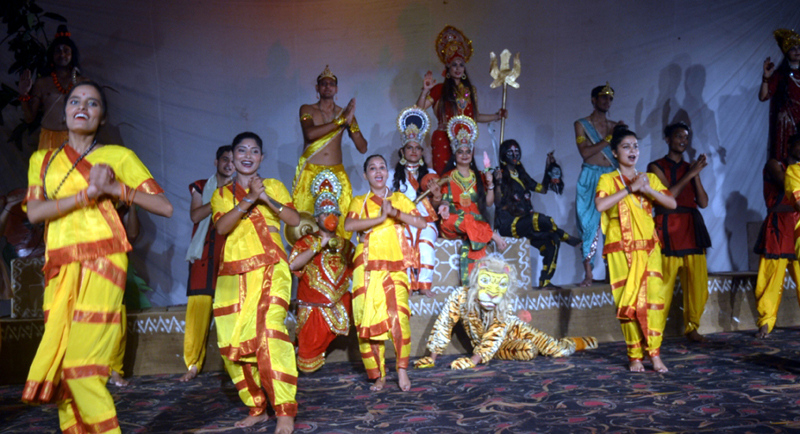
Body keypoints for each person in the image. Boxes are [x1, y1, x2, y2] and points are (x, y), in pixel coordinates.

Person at [21, 81, 173, 434]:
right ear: (64, 113)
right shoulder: (42, 160)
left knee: (82, 368)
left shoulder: (119, 156)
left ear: (102, 117)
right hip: (59, 266)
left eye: (92, 103)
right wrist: (87, 194)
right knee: (63, 368)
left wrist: (114, 189)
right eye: (75, 101)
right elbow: (35, 212)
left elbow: (163, 206)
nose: (82, 107)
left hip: (103, 259)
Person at [211, 132, 300, 432]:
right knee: (231, 341)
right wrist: (249, 198)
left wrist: (265, 198)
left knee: (270, 332)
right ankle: (257, 406)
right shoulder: (221, 194)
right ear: (232, 156)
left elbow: (294, 220)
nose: (247, 156)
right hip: (233, 276)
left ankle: (285, 410)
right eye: (242, 150)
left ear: (262, 157)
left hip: (272, 268)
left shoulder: (273, 186)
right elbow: (222, 227)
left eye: (254, 151)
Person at [414, 254, 597, 370]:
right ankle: (525, 349)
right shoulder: (460, 296)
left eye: (500, 285)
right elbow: (444, 324)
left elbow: (496, 333)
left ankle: (578, 342)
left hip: (511, 331)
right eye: (487, 282)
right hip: (493, 346)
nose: (493, 292)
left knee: (556, 349)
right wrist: (431, 358)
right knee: (528, 350)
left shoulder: (504, 304)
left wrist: (473, 361)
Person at [595, 125, 676, 373]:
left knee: (653, 300)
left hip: (648, 248)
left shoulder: (649, 178)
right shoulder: (608, 179)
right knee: (627, 301)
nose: (632, 151)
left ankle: (655, 354)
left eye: (635, 146)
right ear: (614, 152)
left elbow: (671, 203)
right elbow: (600, 205)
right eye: (626, 146)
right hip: (620, 249)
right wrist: (630, 189)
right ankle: (634, 356)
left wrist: (647, 189)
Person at [344, 154, 427, 392]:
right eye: (372, 168)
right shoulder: (359, 201)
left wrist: (395, 214)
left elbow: (421, 223)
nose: (378, 171)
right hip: (366, 266)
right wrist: (380, 217)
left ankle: (401, 369)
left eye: (382, 167)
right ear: (365, 175)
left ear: (387, 173)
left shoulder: (399, 198)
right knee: (367, 321)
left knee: (399, 317)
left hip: (395, 265)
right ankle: (378, 375)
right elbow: (349, 226)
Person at [646, 122, 711, 342]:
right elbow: (668, 196)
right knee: (663, 284)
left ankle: (693, 327)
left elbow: (703, 202)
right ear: (667, 139)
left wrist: (696, 175)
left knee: (697, 284)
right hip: (668, 226)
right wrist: (691, 173)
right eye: (678, 136)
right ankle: (655, 332)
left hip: (692, 227)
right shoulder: (655, 166)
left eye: (685, 137)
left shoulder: (690, 168)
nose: (683, 141)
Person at [415, 25, 507, 174]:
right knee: (444, 177)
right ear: (448, 67)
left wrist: (497, 116)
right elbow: (418, 110)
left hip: (465, 140)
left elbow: (475, 117)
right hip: (444, 138)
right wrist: (425, 91)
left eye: (461, 65)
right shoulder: (439, 89)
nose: (458, 68)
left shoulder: (470, 91)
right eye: (454, 65)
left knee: (464, 177)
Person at [288, 169, 355, 373]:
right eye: (326, 214)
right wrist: (318, 245)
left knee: (362, 304)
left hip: (340, 304)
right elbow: (293, 265)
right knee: (307, 367)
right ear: (317, 218)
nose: (331, 217)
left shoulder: (345, 245)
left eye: (335, 214)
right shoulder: (306, 241)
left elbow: (357, 271)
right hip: (313, 308)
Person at [179, 145, 234, 382]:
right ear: (216, 162)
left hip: (228, 255)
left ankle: (234, 362)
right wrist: (219, 197)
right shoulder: (201, 186)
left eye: (233, 160)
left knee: (230, 310)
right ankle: (192, 364)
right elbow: (195, 216)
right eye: (225, 159)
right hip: (202, 256)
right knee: (197, 311)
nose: (229, 164)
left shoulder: (240, 189)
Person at [294, 65, 368, 239]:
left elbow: (362, 147)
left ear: (336, 89)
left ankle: (337, 254)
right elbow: (310, 134)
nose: (327, 86)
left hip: (337, 174)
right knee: (309, 219)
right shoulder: (307, 109)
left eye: (331, 84)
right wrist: (340, 122)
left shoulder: (346, 114)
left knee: (338, 222)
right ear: (317, 88)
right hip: (310, 172)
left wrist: (351, 123)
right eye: (323, 83)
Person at [494, 139, 580, 289]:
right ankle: (565, 236)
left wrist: (548, 168)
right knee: (540, 219)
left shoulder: (521, 174)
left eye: (516, 151)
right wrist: (497, 183)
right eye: (510, 152)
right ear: (503, 155)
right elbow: (496, 202)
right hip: (510, 224)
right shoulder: (499, 175)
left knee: (552, 240)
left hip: (526, 223)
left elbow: (543, 189)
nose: (514, 155)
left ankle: (545, 281)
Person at [438, 115, 507, 285]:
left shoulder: (479, 176)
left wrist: (490, 184)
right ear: (455, 154)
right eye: (460, 151)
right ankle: (492, 235)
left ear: (472, 153)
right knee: (464, 221)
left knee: (473, 228)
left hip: (476, 223)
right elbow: (445, 200)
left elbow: (489, 203)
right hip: (454, 222)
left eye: (468, 151)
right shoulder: (448, 176)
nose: (464, 155)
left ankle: (472, 285)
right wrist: (444, 207)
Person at [575, 83, 624, 287]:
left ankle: (611, 273)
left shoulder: (615, 125)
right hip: (590, 176)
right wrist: (610, 138)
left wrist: (620, 134)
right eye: (603, 97)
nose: (607, 101)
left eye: (610, 98)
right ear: (593, 100)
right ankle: (588, 274)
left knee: (613, 224)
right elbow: (585, 153)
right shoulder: (581, 124)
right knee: (589, 225)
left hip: (611, 176)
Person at [754, 134, 800, 339]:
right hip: (779, 225)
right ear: (790, 145)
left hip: (798, 224)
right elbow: (785, 182)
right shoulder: (776, 164)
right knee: (771, 277)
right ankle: (766, 322)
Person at [391, 106, 440, 296]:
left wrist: (437, 197)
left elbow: (435, 206)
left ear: (421, 152)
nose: (413, 151)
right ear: (402, 151)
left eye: (417, 148)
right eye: (409, 147)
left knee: (425, 244)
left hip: (425, 220)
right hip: (403, 220)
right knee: (405, 241)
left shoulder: (431, 174)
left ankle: (425, 285)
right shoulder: (392, 176)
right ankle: (408, 284)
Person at [18, 25, 88, 150]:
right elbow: (29, 119)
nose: (62, 54)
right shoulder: (42, 83)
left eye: (66, 50)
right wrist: (23, 94)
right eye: (58, 51)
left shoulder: (83, 82)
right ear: (52, 55)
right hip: (49, 141)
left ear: (72, 55)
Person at [759, 29, 800, 161]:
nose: (797, 51)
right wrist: (766, 77)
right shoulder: (780, 75)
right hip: (787, 123)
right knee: (787, 157)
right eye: (793, 48)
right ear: (786, 52)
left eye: (799, 48)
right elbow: (763, 97)